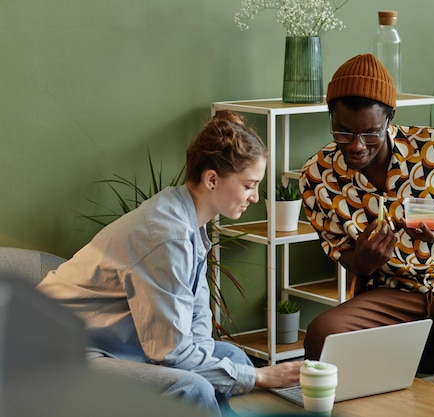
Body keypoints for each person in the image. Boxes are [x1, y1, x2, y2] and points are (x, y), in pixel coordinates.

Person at [37, 110, 302, 416]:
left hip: (112, 346)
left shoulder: (189, 219)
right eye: (248, 185)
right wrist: (259, 376)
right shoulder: (167, 236)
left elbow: (197, 318)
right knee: (193, 387)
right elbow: (171, 354)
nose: (255, 197)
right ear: (212, 179)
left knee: (233, 358)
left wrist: (240, 371)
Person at [299, 54, 434, 417]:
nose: (356, 145)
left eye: (370, 133)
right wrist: (359, 262)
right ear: (331, 118)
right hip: (393, 293)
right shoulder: (318, 175)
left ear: (390, 119)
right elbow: (338, 248)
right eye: (343, 131)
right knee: (323, 332)